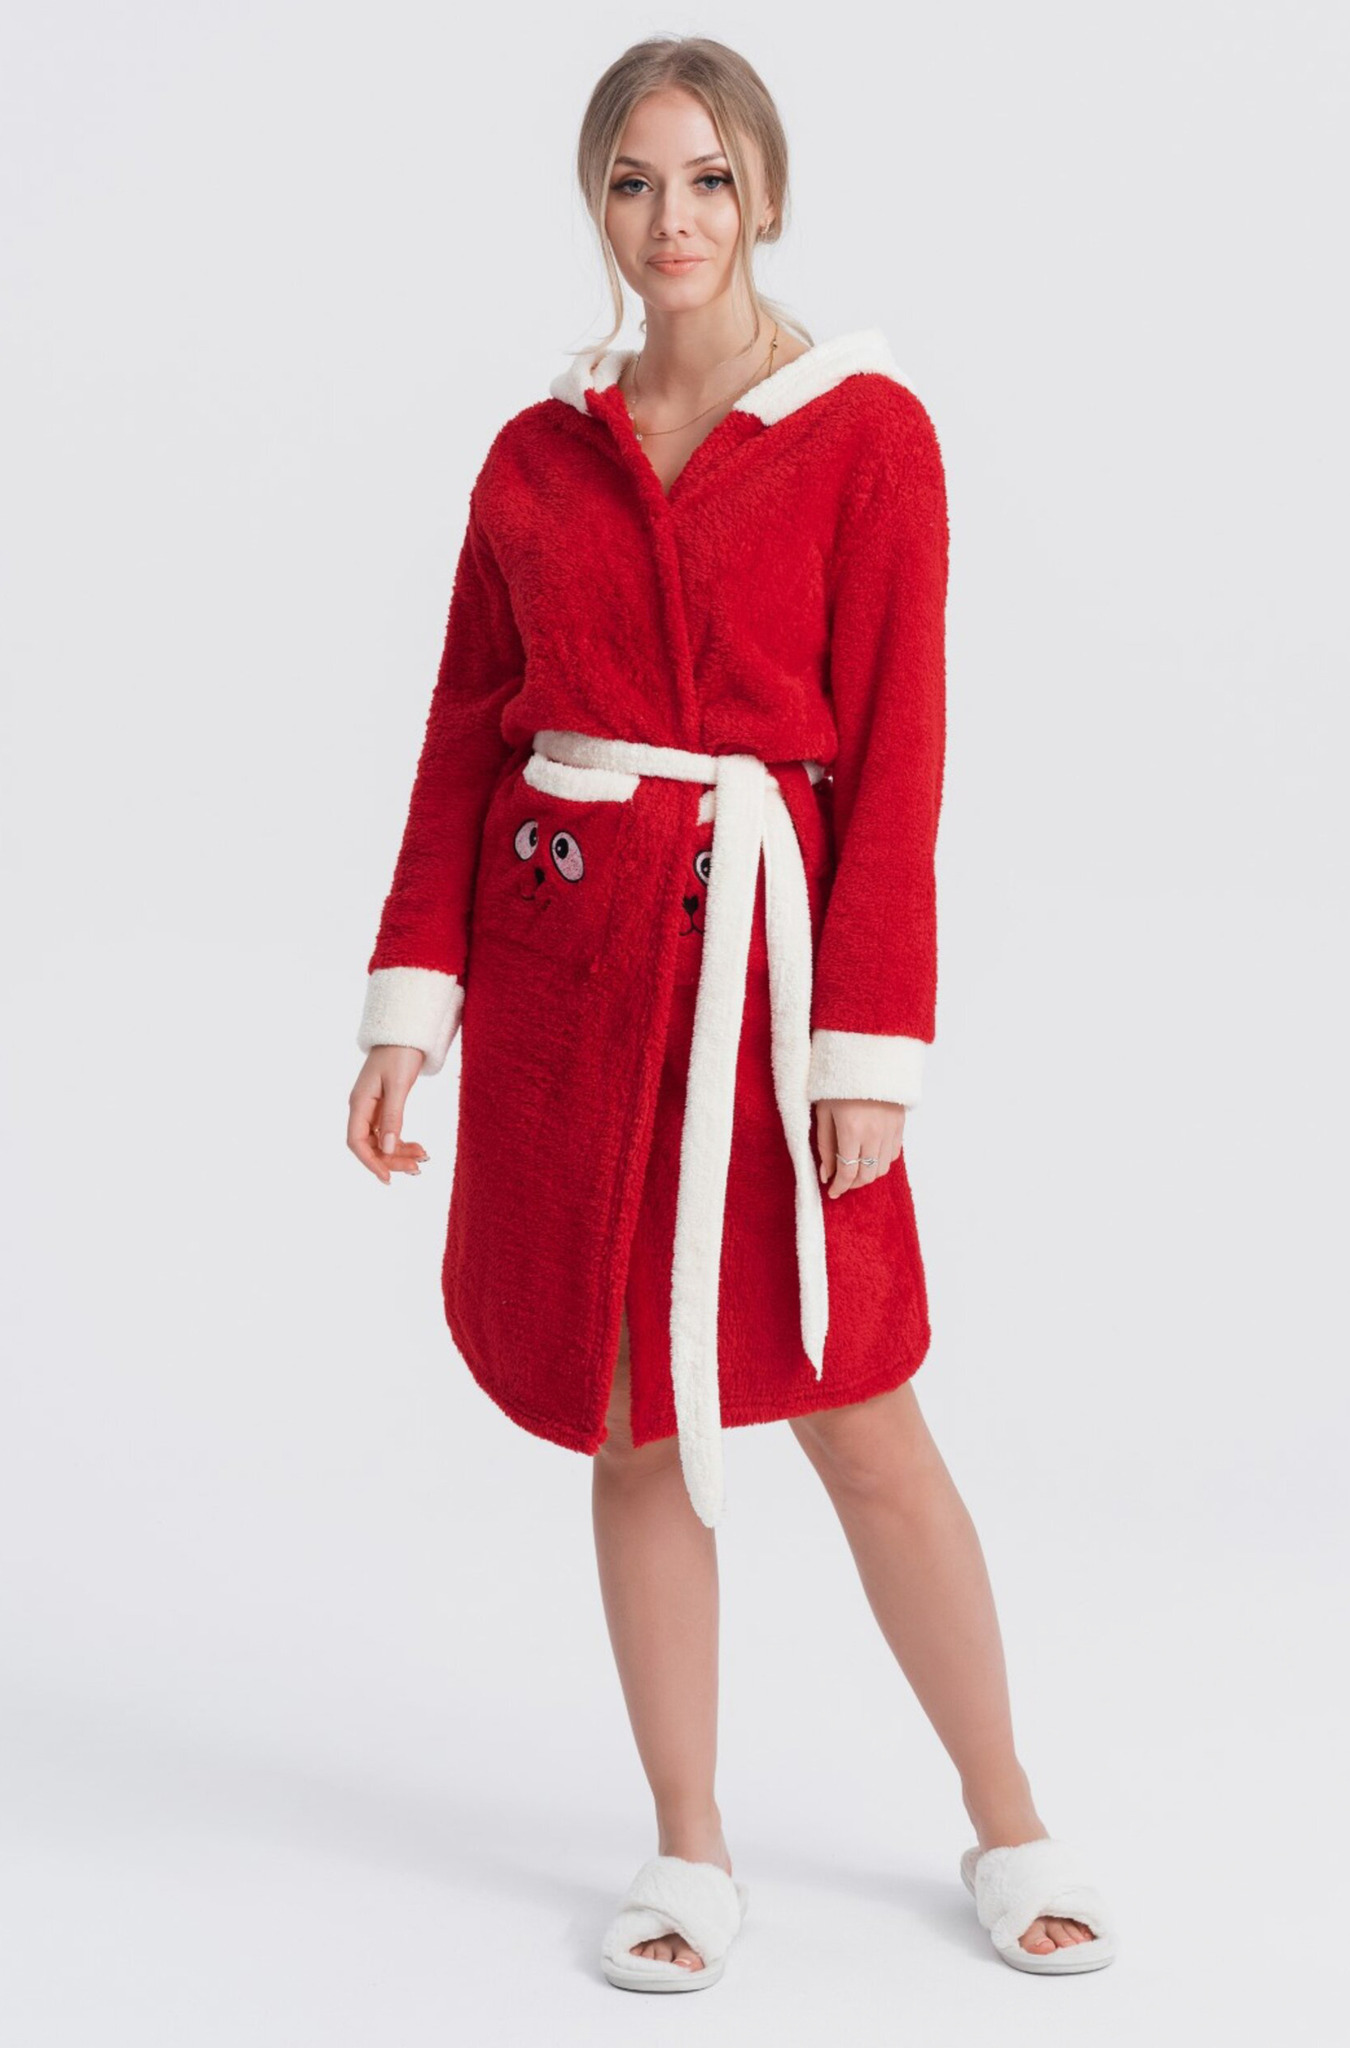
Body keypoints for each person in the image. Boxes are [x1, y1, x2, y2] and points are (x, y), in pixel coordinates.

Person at [346, 32, 1117, 1992]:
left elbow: (903, 755)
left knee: (864, 1413)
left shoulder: (868, 438)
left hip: (775, 999)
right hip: (575, 995)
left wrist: (869, 1050)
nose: (669, 219)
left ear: (764, 189)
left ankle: (1007, 1810)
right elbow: (463, 732)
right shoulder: (537, 458)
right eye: (632, 181)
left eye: (704, 178)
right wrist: (412, 1004)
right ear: (593, 202)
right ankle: (687, 1847)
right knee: (629, 1420)